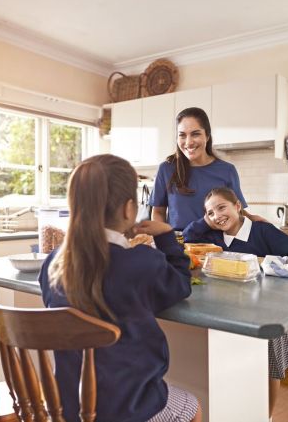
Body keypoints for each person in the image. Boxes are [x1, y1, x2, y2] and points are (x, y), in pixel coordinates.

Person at [38, 154, 201, 422]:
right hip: (129, 408)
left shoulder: (53, 264)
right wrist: (165, 235)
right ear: (128, 210)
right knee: (192, 408)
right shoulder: (141, 263)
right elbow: (181, 285)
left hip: (67, 407)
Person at [182, 187, 288, 418]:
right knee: (237, 368)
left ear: (238, 206)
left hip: (262, 310)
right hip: (226, 309)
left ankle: (267, 416)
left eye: (222, 207)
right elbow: (190, 235)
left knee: (271, 367)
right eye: (210, 213)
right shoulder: (212, 236)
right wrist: (207, 221)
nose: (217, 215)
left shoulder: (262, 231)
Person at [150, 107, 265, 231]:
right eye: (182, 135)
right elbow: (158, 212)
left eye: (195, 134)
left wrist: (252, 218)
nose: (188, 142)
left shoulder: (227, 171)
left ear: (207, 136)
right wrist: (163, 240)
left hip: (217, 246)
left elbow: (237, 212)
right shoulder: (166, 169)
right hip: (178, 245)